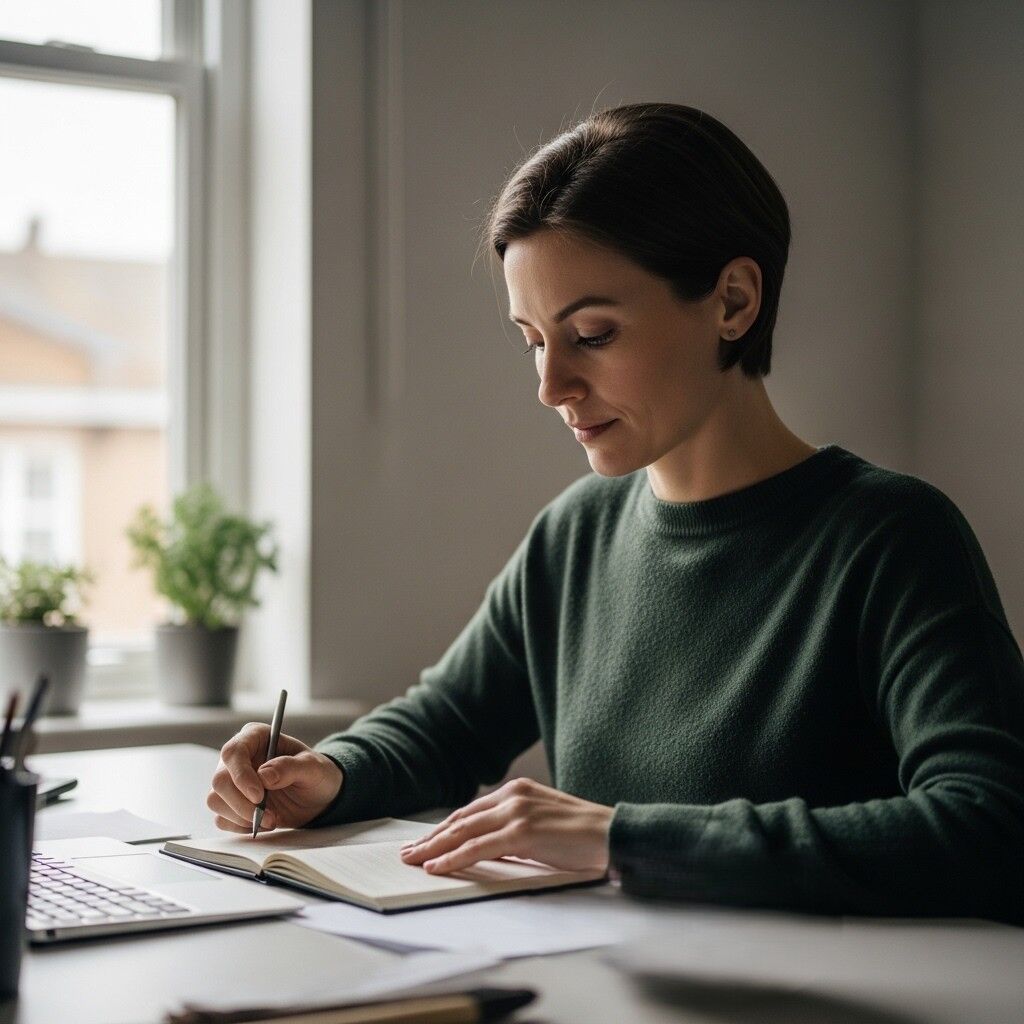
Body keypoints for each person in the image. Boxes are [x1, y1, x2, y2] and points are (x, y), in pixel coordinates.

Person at [208, 103, 1024, 924]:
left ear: (734, 302)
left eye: (591, 334)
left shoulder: (892, 537)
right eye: (533, 338)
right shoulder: (576, 533)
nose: (549, 385)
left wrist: (623, 838)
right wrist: (331, 775)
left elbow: (990, 826)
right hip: (600, 984)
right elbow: (446, 725)